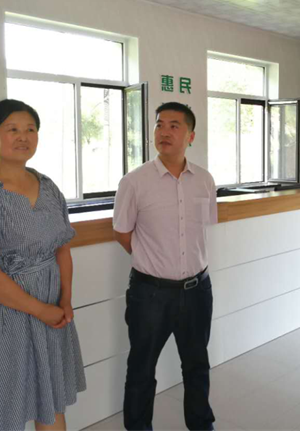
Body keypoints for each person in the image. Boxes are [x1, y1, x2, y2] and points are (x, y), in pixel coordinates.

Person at [0, 99, 86, 431]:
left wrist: (65, 301)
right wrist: (41, 310)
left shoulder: (48, 187)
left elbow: (62, 249)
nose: (23, 137)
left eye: (30, 130)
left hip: (53, 310)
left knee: (49, 402)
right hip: (2, 316)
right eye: (12, 129)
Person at [113, 102, 217, 431]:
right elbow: (123, 233)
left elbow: (203, 228)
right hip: (150, 294)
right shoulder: (134, 181)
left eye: (174, 125)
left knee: (197, 366)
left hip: (197, 290)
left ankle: (201, 425)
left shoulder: (204, 180)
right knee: (141, 370)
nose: (164, 131)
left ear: (191, 136)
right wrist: (154, 262)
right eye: (160, 124)